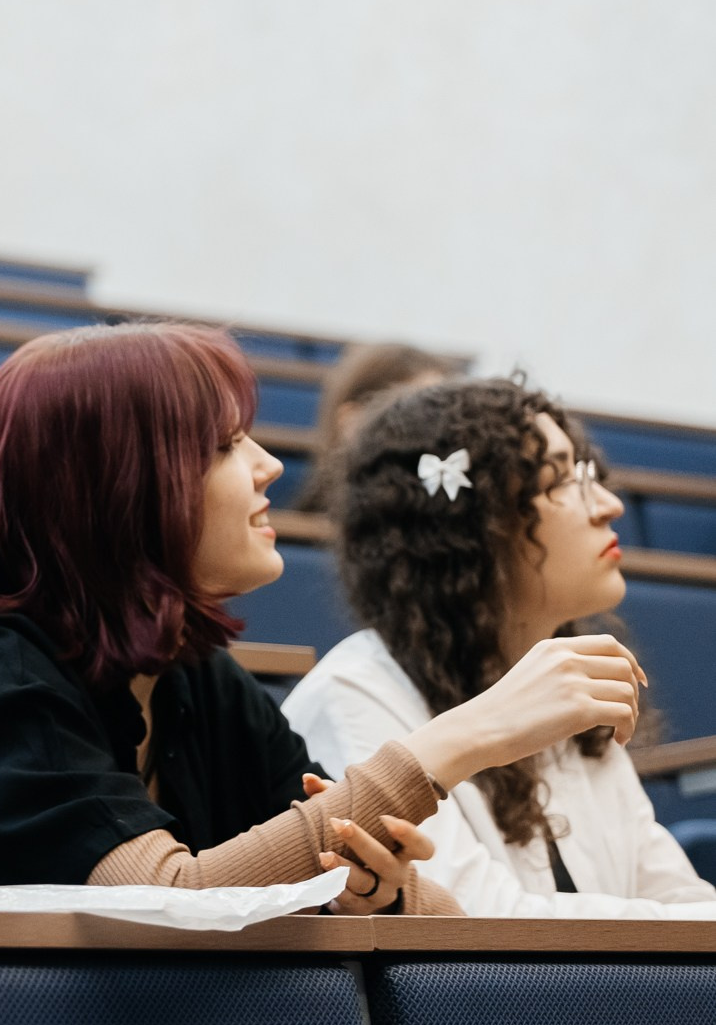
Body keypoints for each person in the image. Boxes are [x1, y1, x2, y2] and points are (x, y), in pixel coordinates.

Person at [0, 322, 647, 914]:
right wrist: (464, 737)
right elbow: (163, 902)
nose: (269, 468)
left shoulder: (195, 680)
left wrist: (377, 894)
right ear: (124, 486)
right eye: (226, 446)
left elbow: (345, 873)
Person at [283, 378, 716, 917]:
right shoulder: (353, 694)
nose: (608, 504)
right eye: (559, 480)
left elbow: (677, 897)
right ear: (472, 528)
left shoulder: (568, 682)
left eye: (588, 474)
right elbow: (483, 929)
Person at [291, 342, 458, 514]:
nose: (436, 430)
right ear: (351, 421)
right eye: (415, 415)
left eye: (442, 413)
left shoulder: (452, 508)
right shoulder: (302, 530)